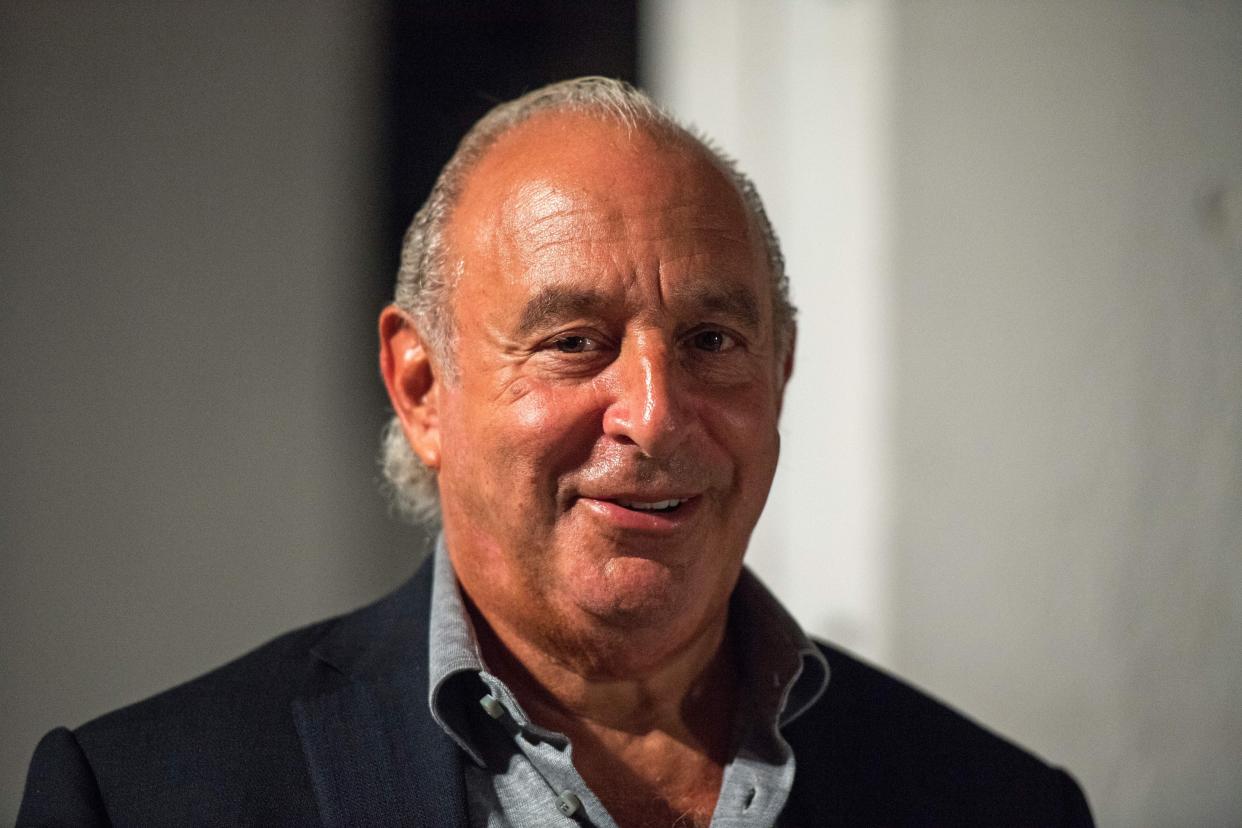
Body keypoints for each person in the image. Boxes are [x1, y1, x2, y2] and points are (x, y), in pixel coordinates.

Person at [18, 77, 1092, 827]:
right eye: (574, 343)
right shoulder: (142, 797)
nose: (656, 414)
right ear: (423, 387)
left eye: (714, 342)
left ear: (782, 374)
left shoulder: (998, 805)